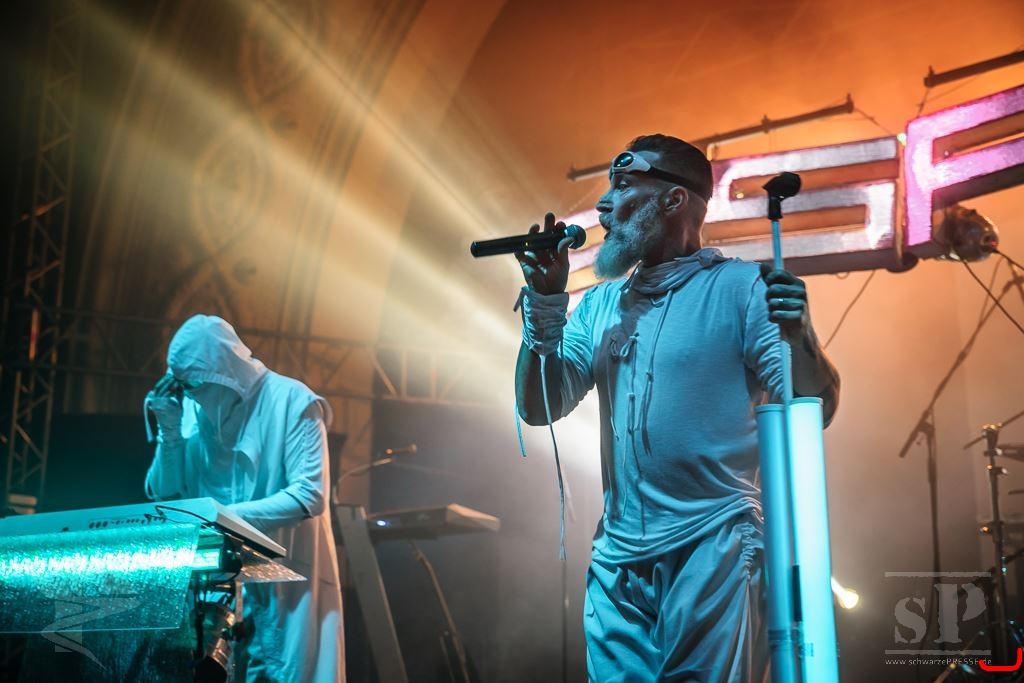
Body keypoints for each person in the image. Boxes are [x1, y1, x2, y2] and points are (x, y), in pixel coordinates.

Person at [514, 134, 839, 682]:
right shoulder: (600, 304)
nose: (603, 205)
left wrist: (800, 334)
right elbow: (538, 406)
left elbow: (815, 406)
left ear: (673, 199)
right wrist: (545, 306)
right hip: (618, 559)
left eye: (622, 186)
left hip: (713, 546)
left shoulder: (741, 288)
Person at [144, 314, 344, 683]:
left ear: (223, 371)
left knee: (288, 667)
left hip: (287, 584)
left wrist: (218, 518)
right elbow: (165, 492)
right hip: (215, 587)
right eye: (182, 385)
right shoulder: (194, 410)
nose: (190, 393)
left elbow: (309, 495)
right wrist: (169, 433)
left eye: (194, 383)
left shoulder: (292, 401)